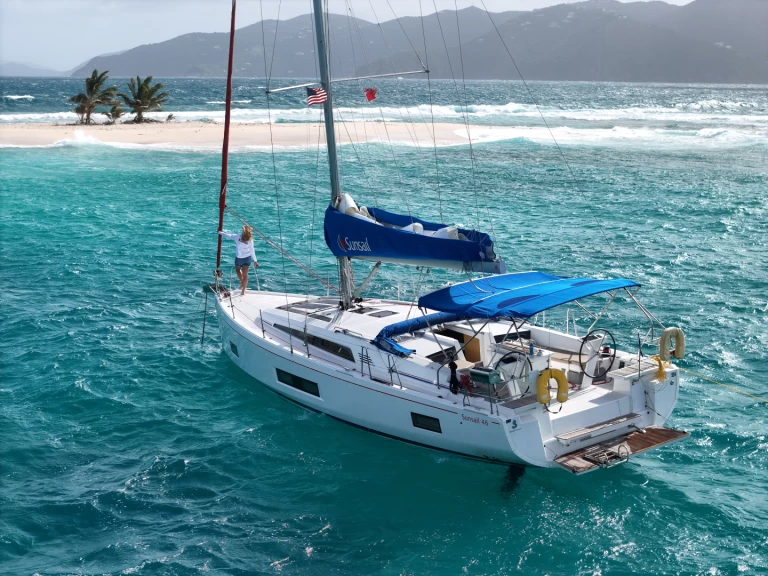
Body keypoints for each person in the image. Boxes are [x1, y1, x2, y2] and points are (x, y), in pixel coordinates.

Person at [219, 225, 258, 295]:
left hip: (239, 258)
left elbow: (229, 236)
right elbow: (252, 251)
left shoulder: (238, 237)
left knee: (237, 270)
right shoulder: (250, 240)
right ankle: (243, 291)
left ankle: (242, 284)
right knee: (245, 274)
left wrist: (220, 232)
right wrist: (255, 261)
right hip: (248, 258)